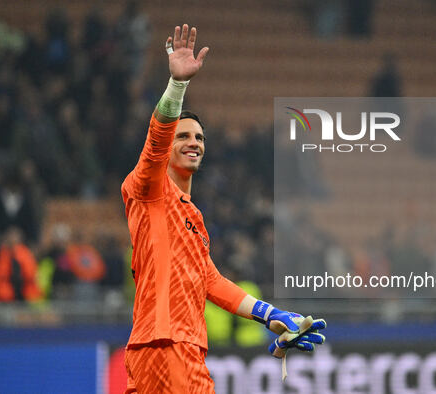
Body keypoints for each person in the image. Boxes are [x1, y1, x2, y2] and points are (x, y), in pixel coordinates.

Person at [121, 25, 326, 393]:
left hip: (178, 347)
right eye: (183, 136)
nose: (194, 142)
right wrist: (177, 86)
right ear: (169, 146)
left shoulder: (193, 217)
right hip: (167, 344)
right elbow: (155, 142)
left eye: (199, 137)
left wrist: (271, 315)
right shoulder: (147, 189)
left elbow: (211, 281)